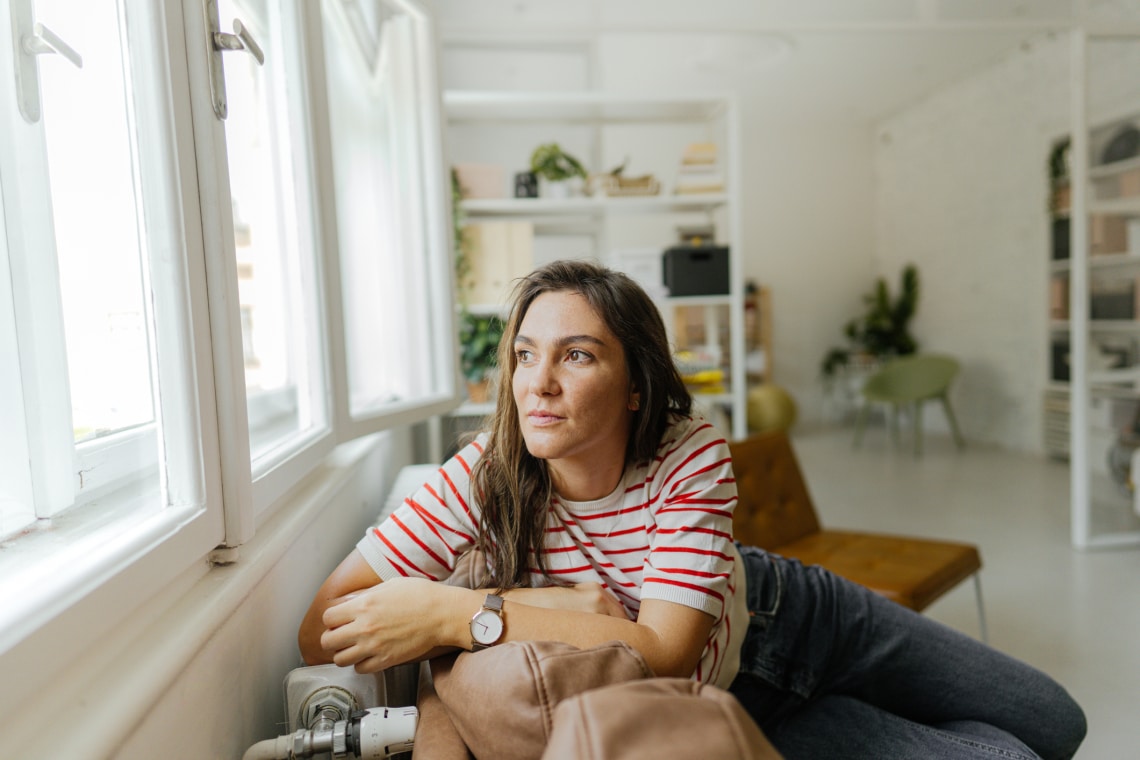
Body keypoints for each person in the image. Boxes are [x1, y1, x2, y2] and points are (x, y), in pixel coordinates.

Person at [299, 259, 1086, 759]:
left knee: (1055, 722)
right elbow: (321, 629)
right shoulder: (485, 476)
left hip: (796, 617)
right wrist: (521, 606)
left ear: (635, 383)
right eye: (524, 355)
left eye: (576, 355)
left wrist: (464, 613)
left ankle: (851, 705)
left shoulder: (687, 451)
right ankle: (825, 727)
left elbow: (662, 646)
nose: (537, 383)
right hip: (729, 703)